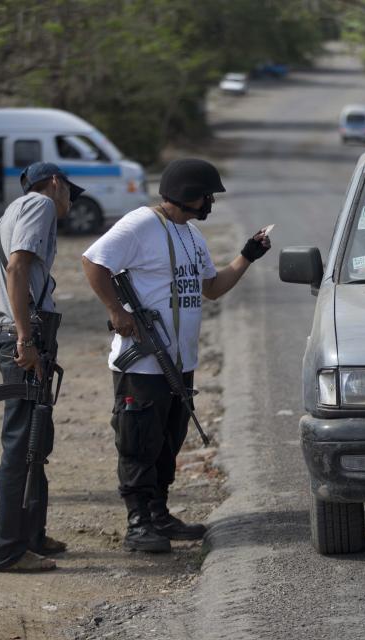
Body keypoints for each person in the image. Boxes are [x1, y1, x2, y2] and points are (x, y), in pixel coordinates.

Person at [81, 158, 270, 553]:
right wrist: (118, 311)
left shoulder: (191, 236)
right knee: (138, 441)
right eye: (206, 196)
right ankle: (138, 524)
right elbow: (93, 261)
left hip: (180, 362)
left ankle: (159, 515)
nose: (210, 203)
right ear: (187, 194)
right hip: (144, 361)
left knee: (169, 441)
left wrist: (247, 255)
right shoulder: (140, 224)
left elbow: (213, 288)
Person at [0, 161, 81, 572]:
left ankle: (32, 536)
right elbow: (17, 267)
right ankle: (8, 551)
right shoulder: (39, 205)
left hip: (23, 333)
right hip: (24, 337)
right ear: (55, 183)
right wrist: (25, 338)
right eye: (69, 193)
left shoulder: (13, 211)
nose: (69, 202)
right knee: (22, 444)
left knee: (36, 441)